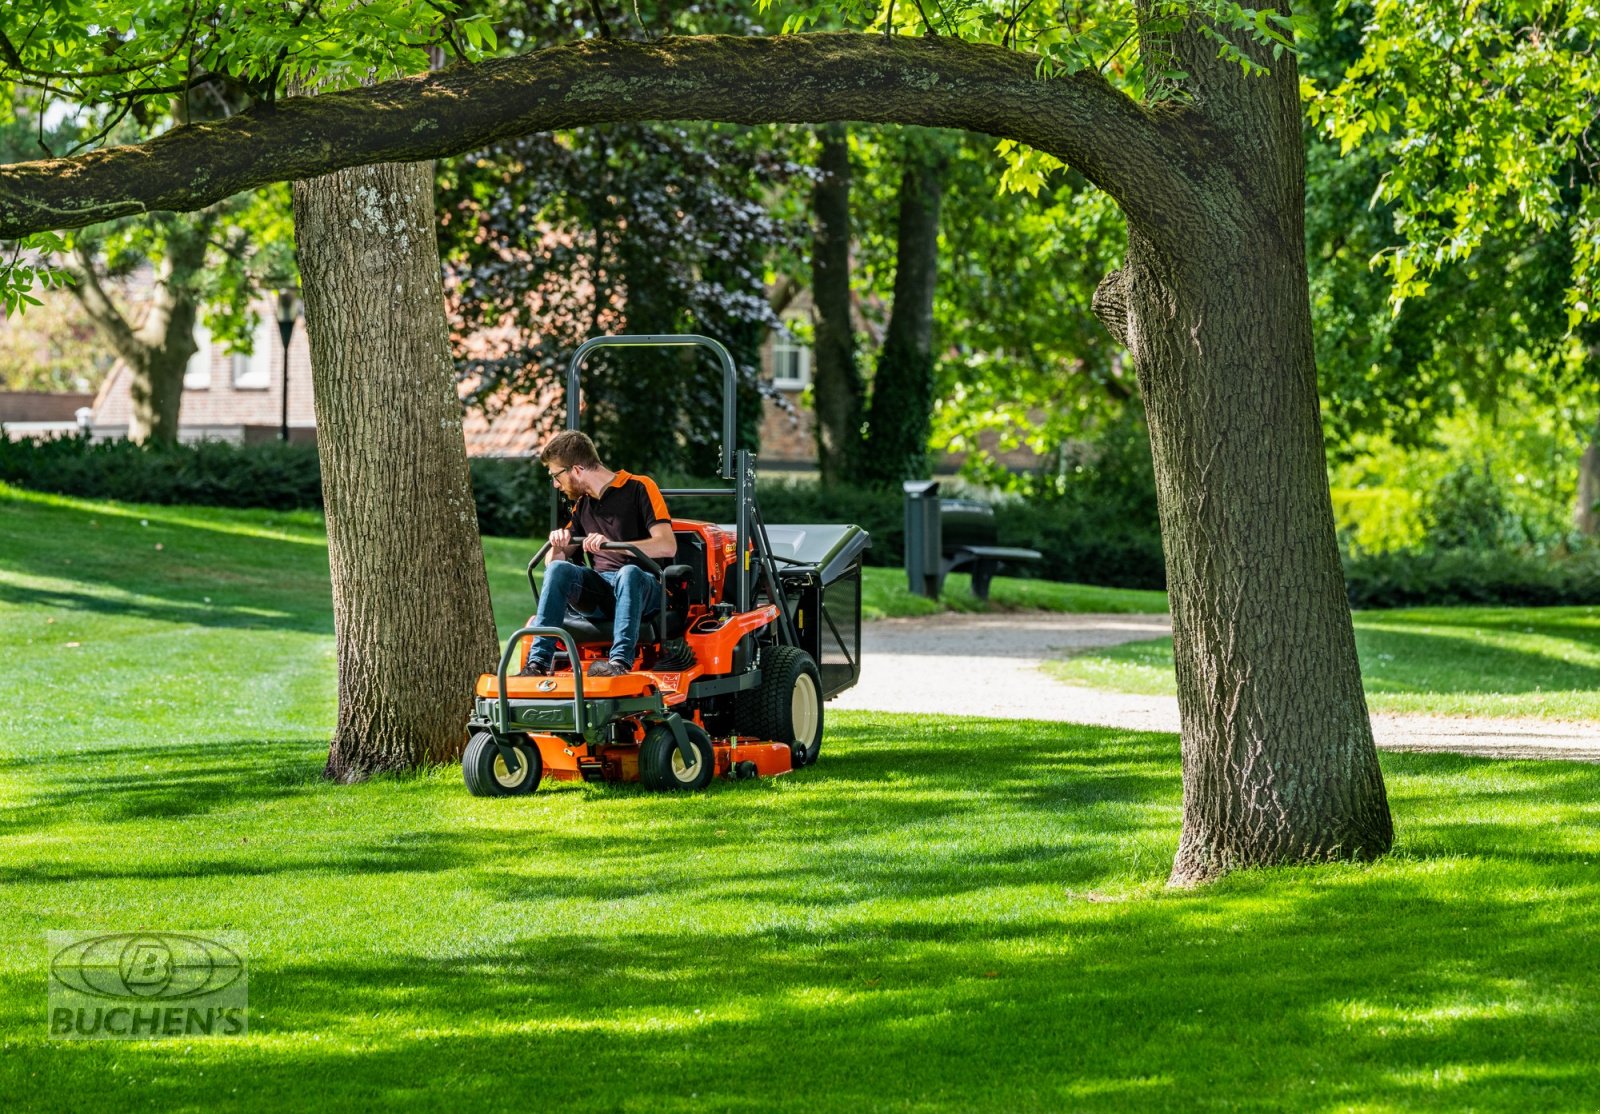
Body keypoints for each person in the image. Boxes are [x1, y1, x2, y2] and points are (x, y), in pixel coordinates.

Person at [522, 430, 678, 678]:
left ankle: (618, 664)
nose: (555, 484)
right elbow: (554, 566)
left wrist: (614, 544)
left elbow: (667, 545)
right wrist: (559, 545)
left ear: (577, 469)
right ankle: (537, 664)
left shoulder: (640, 487)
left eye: (556, 475)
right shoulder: (583, 504)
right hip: (603, 590)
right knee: (559, 569)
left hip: (645, 586)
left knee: (628, 573)